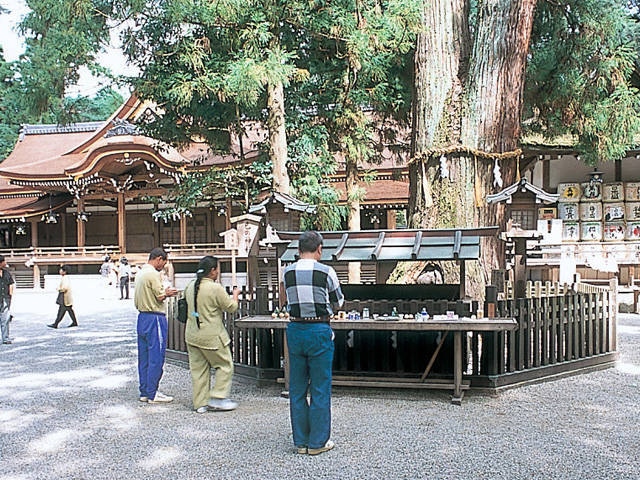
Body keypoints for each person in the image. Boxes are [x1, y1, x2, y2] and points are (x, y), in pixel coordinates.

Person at [283, 231, 344, 455]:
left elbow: (286, 298)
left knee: (297, 387)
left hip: (295, 329)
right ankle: (317, 443)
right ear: (319, 249)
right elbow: (338, 302)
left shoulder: (287, 272)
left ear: (299, 250)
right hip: (319, 329)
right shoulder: (326, 271)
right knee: (320, 386)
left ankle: (301, 442)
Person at [184, 256, 240, 413]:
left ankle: (200, 403)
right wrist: (235, 295)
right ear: (213, 271)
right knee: (225, 365)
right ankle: (218, 396)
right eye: (217, 269)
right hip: (211, 335)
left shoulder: (190, 286)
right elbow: (231, 307)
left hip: (192, 334)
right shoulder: (215, 288)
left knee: (198, 370)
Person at [134, 248, 178, 404]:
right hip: (155, 317)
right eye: (163, 263)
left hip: (142, 317)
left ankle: (145, 391)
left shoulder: (140, 273)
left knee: (144, 357)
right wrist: (168, 293)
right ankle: (153, 393)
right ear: (159, 259)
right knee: (156, 356)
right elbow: (160, 296)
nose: (163, 266)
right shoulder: (153, 274)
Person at [0, 255, 15, 344]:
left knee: (5, 319)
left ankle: (5, 338)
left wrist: (10, 294)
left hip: (5, 298)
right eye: (4, 261)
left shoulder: (6, 273)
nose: (5, 263)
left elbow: (11, 283)